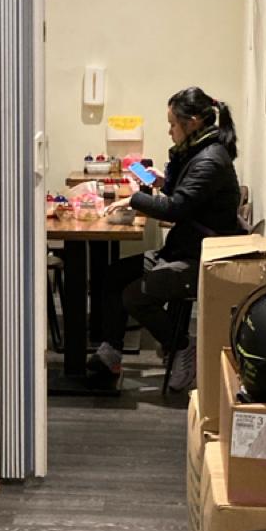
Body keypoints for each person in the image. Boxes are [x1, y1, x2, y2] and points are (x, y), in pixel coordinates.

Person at [88, 87, 243, 391]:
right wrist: (162, 180)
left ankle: (182, 346)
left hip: (201, 258)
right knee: (113, 275)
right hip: (183, 247)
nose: (169, 130)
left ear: (193, 122)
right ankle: (111, 353)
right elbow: (183, 197)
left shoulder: (209, 160)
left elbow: (175, 209)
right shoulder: (196, 151)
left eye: (173, 124)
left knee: (134, 295)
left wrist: (134, 199)